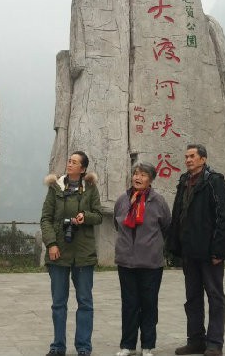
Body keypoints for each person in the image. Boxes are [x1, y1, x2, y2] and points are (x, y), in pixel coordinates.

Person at [166, 144, 225, 356]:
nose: (188, 160)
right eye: (186, 156)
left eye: (192, 156)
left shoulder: (214, 181)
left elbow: (224, 218)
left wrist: (218, 250)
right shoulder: (184, 181)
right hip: (190, 251)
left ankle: (214, 343)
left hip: (209, 251)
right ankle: (195, 340)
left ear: (203, 159)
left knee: (215, 296)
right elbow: (177, 215)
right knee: (192, 297)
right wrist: (174, 247)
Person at [40, 151, 103, 356]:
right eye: (69, 160)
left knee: (85, 302)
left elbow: (99, 216)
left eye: (74, 162)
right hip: (59, 252)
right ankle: (58, 346)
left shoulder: (91, 189)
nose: (69, 164)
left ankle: (83, 347)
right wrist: (51, 244)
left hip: (83, 253)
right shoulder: (55, 188)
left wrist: (86, 217)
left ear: (82, 169)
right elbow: (46, 219)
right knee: (59, 303)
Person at [114, 162, 172, 356]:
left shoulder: (158, 202)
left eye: (143, 175)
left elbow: (166, 226)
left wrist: (151, 245)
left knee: (148, 303)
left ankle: (147, 345)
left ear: (151, 179)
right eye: (136, 174)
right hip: (126, 262)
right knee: (129, 303)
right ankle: (127, 345)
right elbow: (118, 224)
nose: (138, 178)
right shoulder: (122, 199)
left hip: (150, 263)